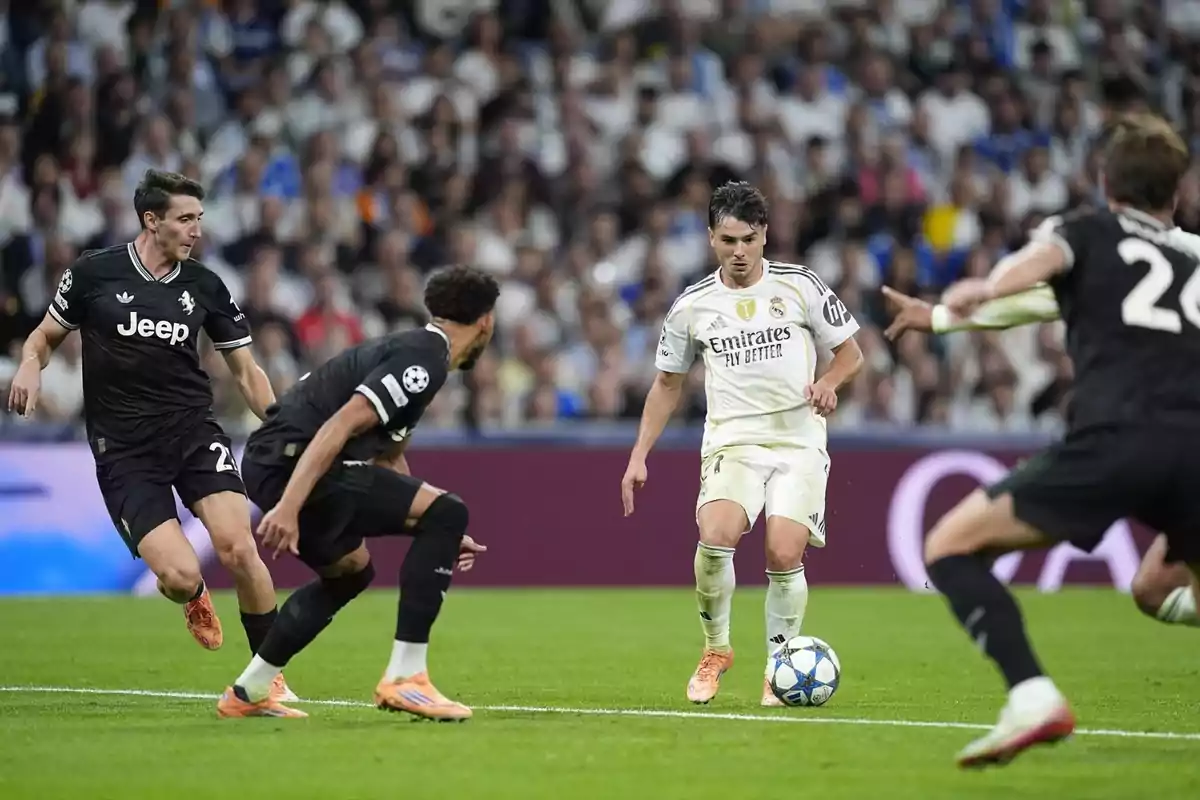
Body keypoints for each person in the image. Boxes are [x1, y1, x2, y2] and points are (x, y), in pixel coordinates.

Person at [907, 113, 1200, 768]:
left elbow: (1045, 259)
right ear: (1175, 196)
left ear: (1105, 184)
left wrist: (987, 285)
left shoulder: (1088, 228)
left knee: (950, 545)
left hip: (1121, 438)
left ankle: (1032, 697)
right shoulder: (1193, 257)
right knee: (1163, 592)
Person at [7, 169, 295, 701]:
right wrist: (29, 364)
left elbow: (247, 372)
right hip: (125, 451)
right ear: (151, 219)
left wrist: (284, 427)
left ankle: (266, 677)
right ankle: (192, 596)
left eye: (199, 220)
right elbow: (45, 336)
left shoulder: (205, 284)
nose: (196, 231)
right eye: (185, 219)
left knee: (238, 547)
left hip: (192, 433)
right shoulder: (95, 274)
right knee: (182, 575)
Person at [216, 265, 498, 722]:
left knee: (350, 572)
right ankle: (406, 679)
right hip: (293, 464)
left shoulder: (420, 354)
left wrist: (438, 528)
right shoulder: (423, 358)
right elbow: (341, 423)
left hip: (275, 461)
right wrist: (288, 508)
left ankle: (247, 692)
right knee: (448, 511)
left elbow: (387, 458)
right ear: (486, 321)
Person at [620, 181, 865, 706]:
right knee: (716, 536)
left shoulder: (800, 285)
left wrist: (828, 383)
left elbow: (851, 354)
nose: (738, 251)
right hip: (733, 439)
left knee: (782, 549)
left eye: (748, 240)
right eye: (728, 240)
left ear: (765, 236)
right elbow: (667, 383)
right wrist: (640, 455)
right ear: (711, 238)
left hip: (797, 441)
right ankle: (716, 650)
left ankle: (779, 664)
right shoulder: (692, 306)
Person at [883, 282, 1200, 632]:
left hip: (1144, 438)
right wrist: (941, 316)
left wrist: (955, 307)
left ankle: (1028, 685)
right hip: (1171, 439)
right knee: (1152, 590)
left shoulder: (1114, 249)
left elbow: (1041, 278)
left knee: (950, 543)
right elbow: (1045, 296)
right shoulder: (1145, 259)